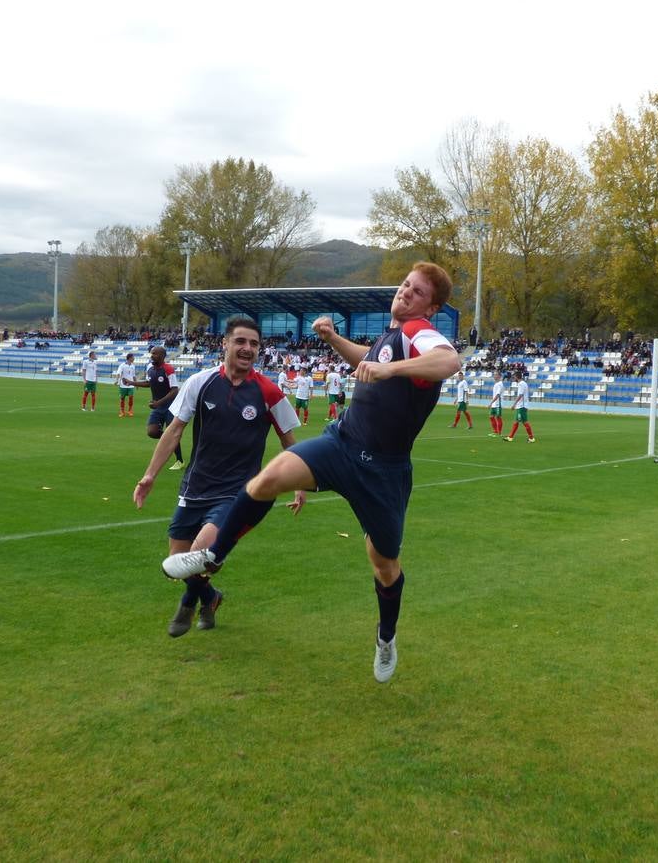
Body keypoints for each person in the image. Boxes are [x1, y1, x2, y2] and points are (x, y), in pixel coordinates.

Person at [160, 262, 460, 683]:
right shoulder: (393, 336)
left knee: (384, 563)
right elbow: (370, 359)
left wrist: (389, 370)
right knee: (269, 478)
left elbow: (449, 361)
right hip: (342, 443)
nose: (406, 292)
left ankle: (386, 637)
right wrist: (335, 339)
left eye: (418, 292)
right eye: (406, 285)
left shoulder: (417, 333)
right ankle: (214, 553)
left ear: (433, 306)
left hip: (382, 472)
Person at [133, 316, 306, 636]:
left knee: (199, 556)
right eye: (240, 341)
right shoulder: (200, 382)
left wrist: (298, 483)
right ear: (224, 344)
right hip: (195, 487)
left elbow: (288, 441)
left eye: (254, 344)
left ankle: (187, 604)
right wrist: (149, 476)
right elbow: (173, 432)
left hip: (236, 493)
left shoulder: (269, 392)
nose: (247, 348)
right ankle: (210, 598)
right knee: (177, 560)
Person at [130, 345, 185, 471]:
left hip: (171, 406)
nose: (151, 355)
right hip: (158, 406)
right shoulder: (150, 369)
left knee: (171, 433)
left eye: (154, 353)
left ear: (162, 356)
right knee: (152, 432)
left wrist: (159, 402)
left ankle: (180, 460)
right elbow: (149, 383)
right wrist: (132, 383)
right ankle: (169, 438)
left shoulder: (168, 369)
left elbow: (174, 390)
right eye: (151, 353)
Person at [503, 370, 535, 443]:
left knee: (525, 422)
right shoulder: (523, 383)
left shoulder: (521, 384)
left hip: (521, 406)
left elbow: (520, 395)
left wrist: (514, 404)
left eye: (514, 377)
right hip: (521, 406)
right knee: (516, 422)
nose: (513, 379)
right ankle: (510, 437)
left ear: (517, 377)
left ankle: (531, 438)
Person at [114, 352, 137, 417]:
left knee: (131, 397)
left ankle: (129, 411)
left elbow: (134, 375)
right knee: (122, 398)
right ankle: (122, 411)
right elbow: (118, 373)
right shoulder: (122, 365)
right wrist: (116, 380)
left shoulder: (133, 366)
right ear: (129, 358)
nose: (134, 358)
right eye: (133, 357)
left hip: (131, 385)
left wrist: (136, 383)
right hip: (123, 385)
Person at [487, 371, 505, 437]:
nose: (494, 376)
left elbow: (497, 395)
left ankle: (499, 433)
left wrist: (491, 403)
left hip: (498, 404)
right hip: (494, 404)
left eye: (496, 375)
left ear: (499, 376)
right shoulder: (496, 384)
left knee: (498, 417)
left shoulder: (500, 384)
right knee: (491, 417)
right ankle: (495, 431)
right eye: (494, 374)